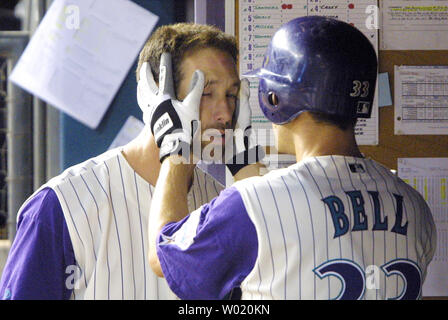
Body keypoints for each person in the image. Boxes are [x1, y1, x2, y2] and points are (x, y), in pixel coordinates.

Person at [147, 16, 437, 300]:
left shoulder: (254, 205)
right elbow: (272, 244)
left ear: (274, 97)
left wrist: (176, 149)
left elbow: (164, 256)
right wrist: (245, 162)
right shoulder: (414, 205)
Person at [0, 22, 263, 300]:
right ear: (156, 98)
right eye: (207, 93)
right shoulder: (60, 206)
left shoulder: (223, 204)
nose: (224, 113)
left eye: (232, 95)